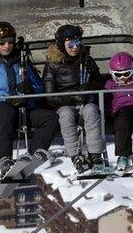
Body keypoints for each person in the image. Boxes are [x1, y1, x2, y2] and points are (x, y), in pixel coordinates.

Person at [0, 21, 57, 178]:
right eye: (2, 43)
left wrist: (28, 89)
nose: (7, 46)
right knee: (5, 111)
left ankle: (33, 156)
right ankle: (5, 159)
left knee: (49, 117)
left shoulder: (22, 62)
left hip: (24, 109)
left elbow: (39, 87)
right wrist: (6, 98)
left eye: (10, 42)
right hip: (0, 111)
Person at [43, 25, 107, 173]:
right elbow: (49, 96)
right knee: (66, 115)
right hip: (64, 104)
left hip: (85, 101)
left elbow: (98, 82)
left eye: (77, 44)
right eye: (70, 45)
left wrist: (88, 87)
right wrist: (72, 97)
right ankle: (74, 155)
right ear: (61, 45)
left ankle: (95, 155)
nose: (74, 48)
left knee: (91, 111)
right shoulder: (53, 65)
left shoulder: (86, 60)